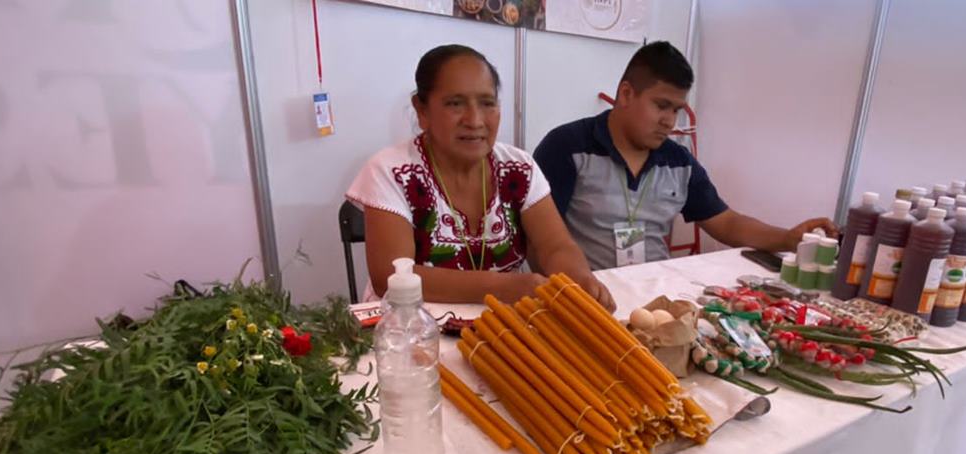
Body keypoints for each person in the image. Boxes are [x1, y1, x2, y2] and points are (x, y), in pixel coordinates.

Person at [346, 45, 614, 309]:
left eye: (487, 103)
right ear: (422, 110)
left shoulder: (518, 168)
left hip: (505, 324)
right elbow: (390, 277)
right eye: (455, 104)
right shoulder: (391, 171)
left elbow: (555, 245)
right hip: (411, 326)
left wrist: (579, 278)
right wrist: (502, 287)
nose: (475, 120)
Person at [534, 41, 839, 271]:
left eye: (677, 110)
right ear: (626, 94)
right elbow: (537, 243)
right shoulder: (566, 147)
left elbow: (727, 223)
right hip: (584, 297)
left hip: (654, 298)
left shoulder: (679, 162)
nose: (670, 121)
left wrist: (789, 238)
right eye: (661, 106)